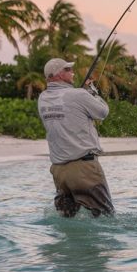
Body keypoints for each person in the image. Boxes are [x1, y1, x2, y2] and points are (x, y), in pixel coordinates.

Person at [37, 57, 114, 217]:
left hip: (59, 172)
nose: (72, 72)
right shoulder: (78, 94)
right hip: (83, 169)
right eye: (67, 70)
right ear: (57, 75)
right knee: (106, 217)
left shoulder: (42, 99)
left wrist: (81, 94)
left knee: (67, 219)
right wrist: (92, 92)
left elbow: (68, 107)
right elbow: (103, 112)